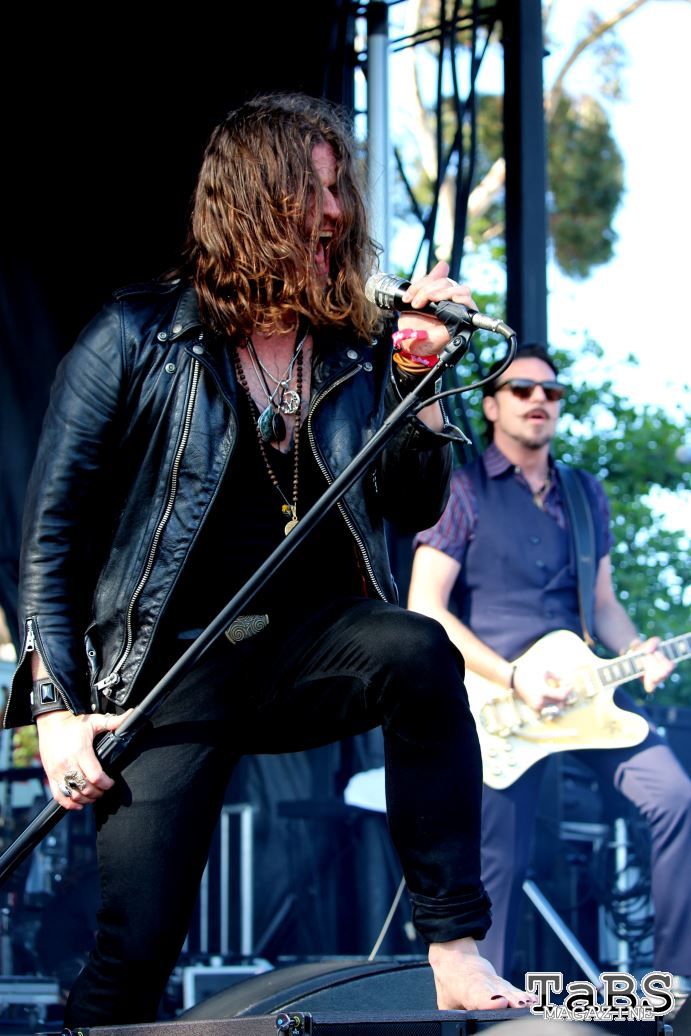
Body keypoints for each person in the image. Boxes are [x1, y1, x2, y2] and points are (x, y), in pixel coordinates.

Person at [3, 92, 533, 1026]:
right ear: (250, 199)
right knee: (136, 951)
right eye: (309, 192)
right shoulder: (135, 335)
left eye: (338, 192)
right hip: (165, 670)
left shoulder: (356, 349)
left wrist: (416, 379)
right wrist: (56, 711)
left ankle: (454, 948)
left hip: (301, 646)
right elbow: (50, 534)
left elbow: (412, 505)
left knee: (418, 650)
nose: (333, 213)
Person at [408, 342, 691, 1003]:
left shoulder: (584, 493)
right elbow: (426, 607)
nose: (539, 399)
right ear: (490, 405)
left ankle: (677, 980)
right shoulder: (462, 489)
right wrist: (512, 678)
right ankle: (482, 1006)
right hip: (497, 701)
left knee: (675, 797)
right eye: (521, 389)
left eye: (551, 392)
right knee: (497, 862)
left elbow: (604, 604)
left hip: (586, 694)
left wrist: (639, 650)